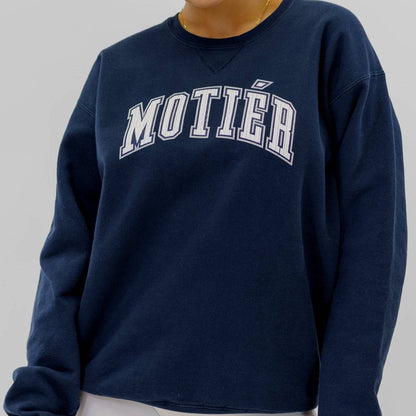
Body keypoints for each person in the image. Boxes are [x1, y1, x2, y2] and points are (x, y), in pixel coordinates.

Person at [3, 0, 407, 415]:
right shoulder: (117, 67)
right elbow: (69, 248)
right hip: (109, 397)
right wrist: (41, 396)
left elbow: (374, 240)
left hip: (266, 401)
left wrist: (348, 403)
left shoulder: (327, 40)